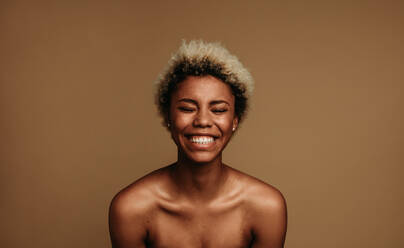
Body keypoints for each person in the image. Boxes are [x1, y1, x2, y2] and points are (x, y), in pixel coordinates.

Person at [108, 40, 287, 248]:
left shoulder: (266, 207)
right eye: (187, 108)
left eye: (218, 110)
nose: (202, 121)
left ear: (234, 121)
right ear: (168, 116)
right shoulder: (131, 209)